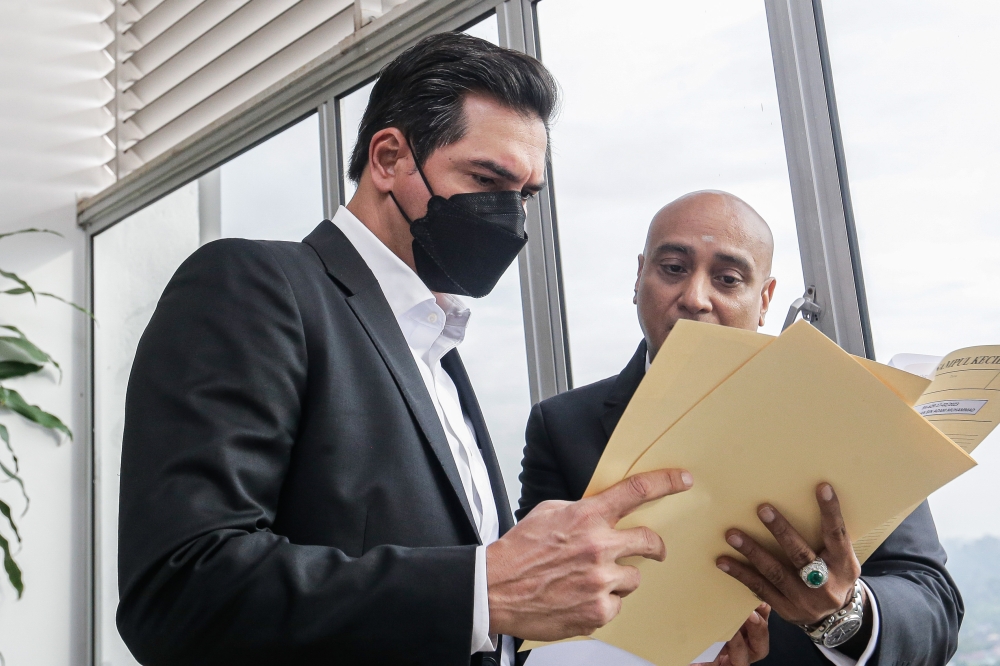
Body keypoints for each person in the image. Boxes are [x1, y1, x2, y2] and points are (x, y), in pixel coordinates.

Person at [116, 33, 702, 666]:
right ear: (389, 157)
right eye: (486, 178)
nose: (510, 217)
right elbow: (178, 591)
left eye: (526, 195)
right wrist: (482, 589)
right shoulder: (255, 285)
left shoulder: (437, 353)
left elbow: (489, 621)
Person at [517, 190, 964, 666]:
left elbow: (933, 605)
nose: (694, 299)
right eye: (672, 269)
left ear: (765, 299)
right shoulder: (562, 427)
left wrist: (842, 614)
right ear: (639, 277)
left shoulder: (850, 412)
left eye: (727, 279)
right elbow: (526, 615)